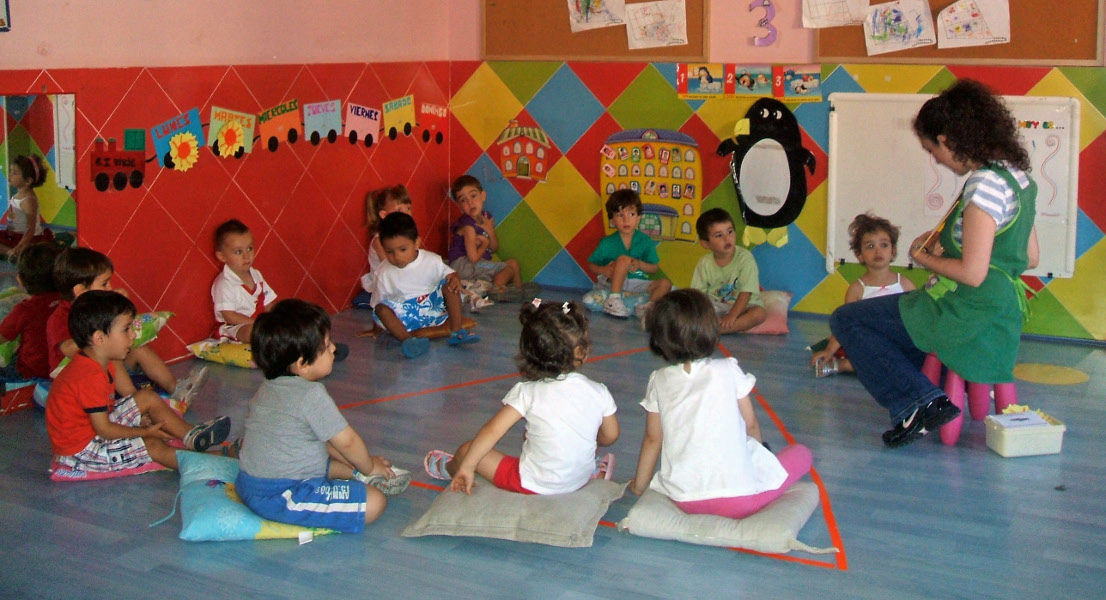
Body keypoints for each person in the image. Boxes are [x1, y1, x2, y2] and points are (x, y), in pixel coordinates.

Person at [830, 79, 1040, 448]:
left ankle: (918, 403)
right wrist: (955, 241)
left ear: (947, 139)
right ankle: (926, 393)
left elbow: (973, 274)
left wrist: (923, 257)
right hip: (999, 309)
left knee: (847, 320)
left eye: (932, 150)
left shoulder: (983, 185)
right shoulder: (1014, 177)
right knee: (886, 326)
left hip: (964, 311)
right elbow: (1028, 255)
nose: (936, 159)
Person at [629, 289, 812, 519]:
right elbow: (751, 425)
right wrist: (758, 463)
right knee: (802, 453)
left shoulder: (659, 379)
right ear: (711, 330)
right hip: (740, 500)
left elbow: (653, 439)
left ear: (659, 340)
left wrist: (638, 486)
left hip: (684, 500)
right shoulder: (727, 369)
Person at [235, 299, 404, 533]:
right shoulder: (311, 394)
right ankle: (362, 475)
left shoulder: (268, 387)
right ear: (303, 364)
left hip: (251, 483)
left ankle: (357, 472)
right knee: (374, 502)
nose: (334, 348)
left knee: (333, 459)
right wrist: (368, 467)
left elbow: (323, 443)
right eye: (326, 346)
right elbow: (347, 442)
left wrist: (359, 464)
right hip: (281, 495)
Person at [424, 299, 619, 495]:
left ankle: (452, 468)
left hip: (530, 483)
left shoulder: (527, 392)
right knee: (572, 433)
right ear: (581, 352)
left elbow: (492, 431)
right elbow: (611, 436)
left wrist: (468, 465)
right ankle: (590, 469)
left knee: (467, 450)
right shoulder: (598, 391)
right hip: (578, 480)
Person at [45, 290, 230, 473]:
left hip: (94, 429)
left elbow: (106, 413)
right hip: (83, 452)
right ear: (99, 338)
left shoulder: (101, 361)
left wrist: (138, 419)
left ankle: (192, 435)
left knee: (146, 398)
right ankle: (217, 461)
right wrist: (143, 433)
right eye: (126, 329)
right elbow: (104, 430)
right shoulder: (88, 376)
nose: (133, 335)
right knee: (150, 445)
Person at [47, 247, 207, 403]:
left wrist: (117, 304)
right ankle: (135, 401)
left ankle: (175, 388)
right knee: (111, 354)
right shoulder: (60, 318)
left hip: (102, 367)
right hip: (75, 374)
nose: (109, 287)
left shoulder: (96, 307)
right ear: (81, 291)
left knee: (139, 349)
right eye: (104, 284)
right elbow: (68, 349)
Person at [810, 213, 915, 376]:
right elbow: (845, 325)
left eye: (884, 245)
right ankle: (841, 365)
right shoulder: (857, 289)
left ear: (893, 251)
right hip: (871, 343)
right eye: (870, 246)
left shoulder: (905, 284)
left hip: (897, 341)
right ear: (860, 255)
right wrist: (829, 350)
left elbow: (916, 319)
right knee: (871, 358)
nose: (878, 251)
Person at [371, 212, 480, 358]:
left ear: (417, 243)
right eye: (389, 252)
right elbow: (378, 304)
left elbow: (450, 274)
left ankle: (457, 332)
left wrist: (455, 278)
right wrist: (377, 328)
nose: (396, 257)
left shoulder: (431, 260)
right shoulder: (383, 272)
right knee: (381, 309)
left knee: (450, 285)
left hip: (433, 310)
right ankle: (409, 341)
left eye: (403, 249)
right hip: (405, 320)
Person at [448, 175, 536, 302]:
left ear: (483, 196)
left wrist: (490, 232)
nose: (470, 202)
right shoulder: (468, 227)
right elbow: (473, 258)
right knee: (506, 268)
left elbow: (494, 248)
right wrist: (484, 245)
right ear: (460, 207)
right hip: (463, 265)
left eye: (473, 196)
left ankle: (518, 292)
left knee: (513, 263)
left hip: (476, 262)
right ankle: (495, 291)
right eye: (463, 200)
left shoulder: (487, 218)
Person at [585, 189, 672, 318]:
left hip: (637, 283)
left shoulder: (645, 241)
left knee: (666, 284)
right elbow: (591, 265)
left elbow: (654, 268)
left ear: (638, 217)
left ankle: (648, 307)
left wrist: (640, 264)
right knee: (624, 260)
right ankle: (613, 299)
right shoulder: (607, 242)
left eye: (631, 214)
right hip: (611, 282)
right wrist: (603, 269)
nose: (626, 220)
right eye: (620, 215)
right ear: (612, 219)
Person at [690, 208, 767, 334]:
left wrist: (732, 315)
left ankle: (719, 329)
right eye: (719, 235)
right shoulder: (704, 263)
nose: (727, 239)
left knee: (760, 313)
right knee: (692, 311)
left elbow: (746, 293)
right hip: (716, 306)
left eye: (730, 232)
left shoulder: (745, 258)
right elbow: (698, 294)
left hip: (744, 305)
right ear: (705, 244)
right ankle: (709, 326)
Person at [0, 243, 61, 383]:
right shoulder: (67, 300)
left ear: (20, 279)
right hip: (58, 367)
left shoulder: (26, 309)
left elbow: (2, 337)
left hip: (30, 370)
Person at [355, 184, 413, 309]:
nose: (407, 214)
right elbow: (390, 266)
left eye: (408, 208)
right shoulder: (379, 240)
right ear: (384, 215)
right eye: (399, 210)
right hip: (386, 282)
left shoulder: (406, 236)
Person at [1, 154, 54, 261]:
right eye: (11, 171)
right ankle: (10, 253)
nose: (10, 175)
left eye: (15, 173)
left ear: (28, 181)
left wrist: (19, 246)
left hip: (27, 239)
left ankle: (14, 253)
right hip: (14, 235)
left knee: (29, 251)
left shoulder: (28, 200)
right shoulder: (17, 195)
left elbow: (31, 229)